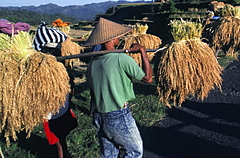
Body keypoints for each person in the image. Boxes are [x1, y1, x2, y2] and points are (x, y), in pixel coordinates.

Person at [84, 17, 153, 158]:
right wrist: (143, 53)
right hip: (117, 115)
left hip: (99, 115)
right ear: (112, 39)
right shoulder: (121, 59)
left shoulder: (93, 63)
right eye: (118, 36)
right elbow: (148, 78)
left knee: (109, 155)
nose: (121, 38)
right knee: (135, 151)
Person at [33, 21, 77, 158]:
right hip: (60, 110)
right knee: (60, 138)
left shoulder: (39, 69)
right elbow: (72, 87)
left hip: (51, 113)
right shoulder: (62, 68)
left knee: (57, 140)